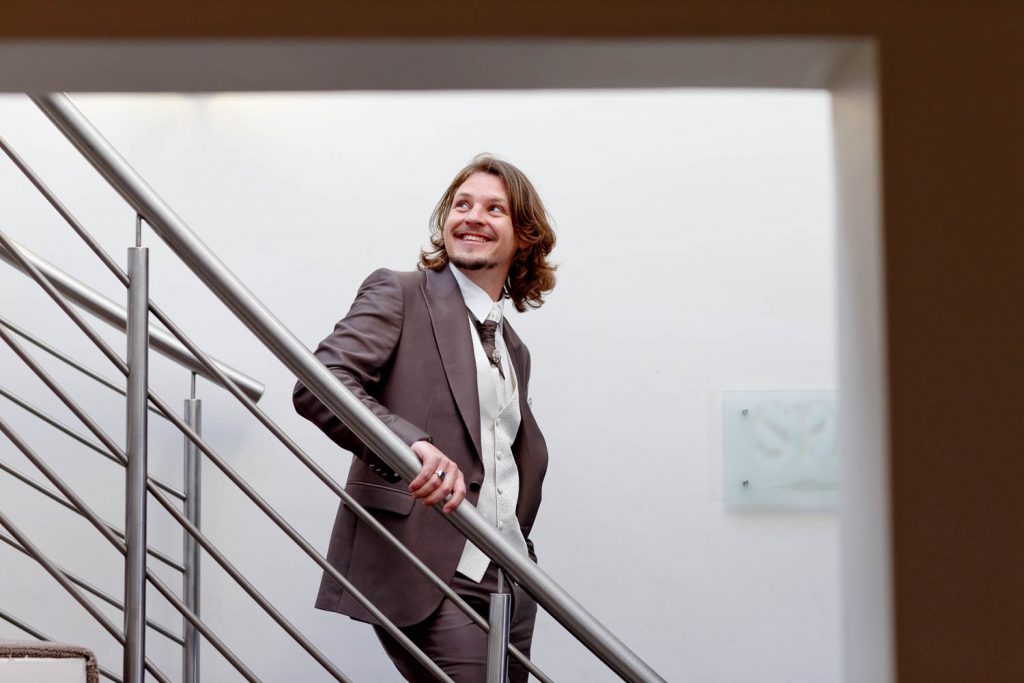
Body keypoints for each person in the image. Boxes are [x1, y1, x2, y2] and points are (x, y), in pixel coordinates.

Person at [293, 153, 556, 682]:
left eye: (494, 209)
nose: (472, 216)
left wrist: (521, 556)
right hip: (427, 567)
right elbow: (321, 383)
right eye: (462, 204)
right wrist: (406, 445)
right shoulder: (400, 292)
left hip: (510, 575)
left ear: (523, 236)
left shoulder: (514, 349)